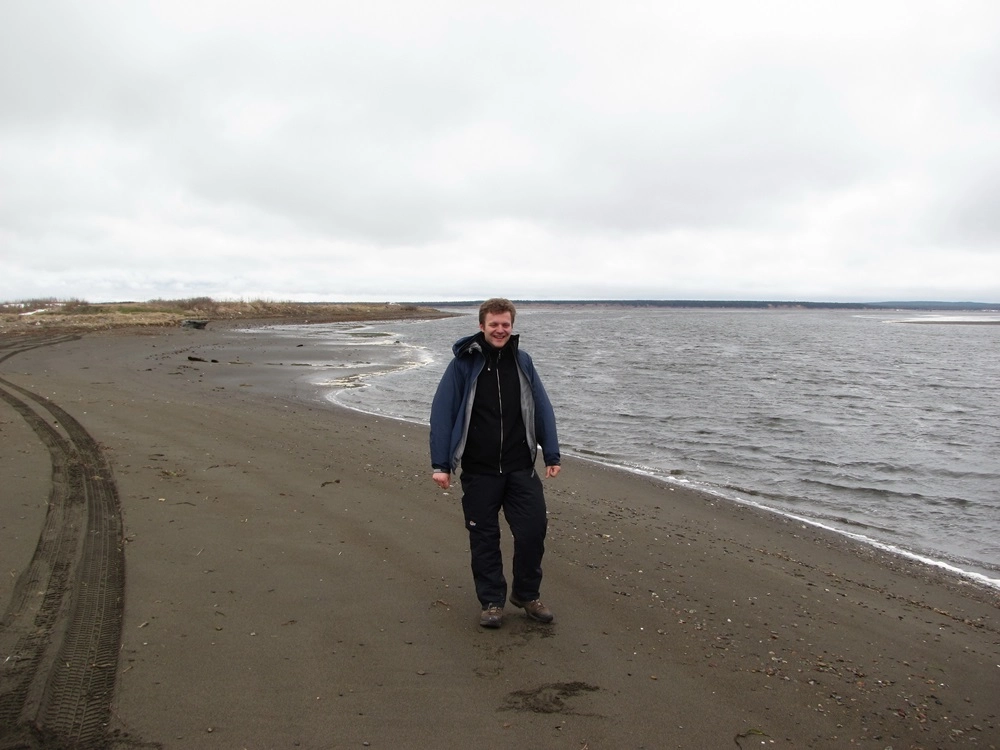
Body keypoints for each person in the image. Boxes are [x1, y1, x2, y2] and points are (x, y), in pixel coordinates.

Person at [429, 298, 561, 628]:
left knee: (532, 531)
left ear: (512, 326)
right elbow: (443, 412)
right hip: (479, 470)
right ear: (482, 326)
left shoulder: (522, 361)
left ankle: (527, 595)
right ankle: (491, 601)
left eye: (505, 324)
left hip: (520, 467)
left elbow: (541, 406)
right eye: (494, 324)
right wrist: (441, 465)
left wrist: (551, 453)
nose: (500, 330)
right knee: (484, 538)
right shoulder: (463, 364)